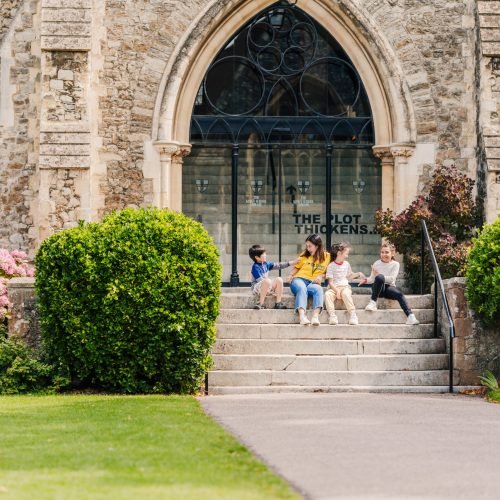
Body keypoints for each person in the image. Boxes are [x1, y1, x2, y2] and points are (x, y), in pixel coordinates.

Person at [360, 242, 420, 325]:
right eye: (382, 252)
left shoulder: (395, 264)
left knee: (400, 294)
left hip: (389, 288)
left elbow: (392, 279)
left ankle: (410, 317)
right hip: (378, 289)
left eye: (386, 252)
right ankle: (373, 302)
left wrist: (379, 275)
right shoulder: (376, 263)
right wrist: (366, 280)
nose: (384, 254)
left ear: (393, 253)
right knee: (379, 278)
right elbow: (372, 278)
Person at [287, 234, 330, 326]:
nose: (308, 248)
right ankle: (302, 316)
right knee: (302, 288)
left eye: (310, 246)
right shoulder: (304, 255)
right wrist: (290, 275)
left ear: (317, 246)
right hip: (298, 280)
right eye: (307, 246)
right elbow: (297, 268)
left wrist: (321, 276)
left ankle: (315, 317)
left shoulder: (327, 257)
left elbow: (330, 273)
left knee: (318, 289)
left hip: (312, 283)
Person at [325, 242, 365, 326]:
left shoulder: (346, 264)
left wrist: (358, 274)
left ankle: (353, 315)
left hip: (345, 286)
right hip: (334, 288)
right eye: (346, 254)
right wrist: (337, 291)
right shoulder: (331, 266)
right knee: (327, 294)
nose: (347, 256)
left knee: (346, 294)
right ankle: (332, 316)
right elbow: (330, 282)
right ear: (339, 253)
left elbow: (349, 275)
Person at [249, 245, 293, 310]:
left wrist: (290, 263)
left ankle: (278, 303)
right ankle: (260, 303)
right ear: (257, 257)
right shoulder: (255, 267)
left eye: (265, 253)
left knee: (279, 279)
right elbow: (261, 281)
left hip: (267, 287)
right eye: (263, 254)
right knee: (267, 281)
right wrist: (271, 288)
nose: (265, 255)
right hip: (257, 289)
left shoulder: (266, 264)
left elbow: (279, 265)